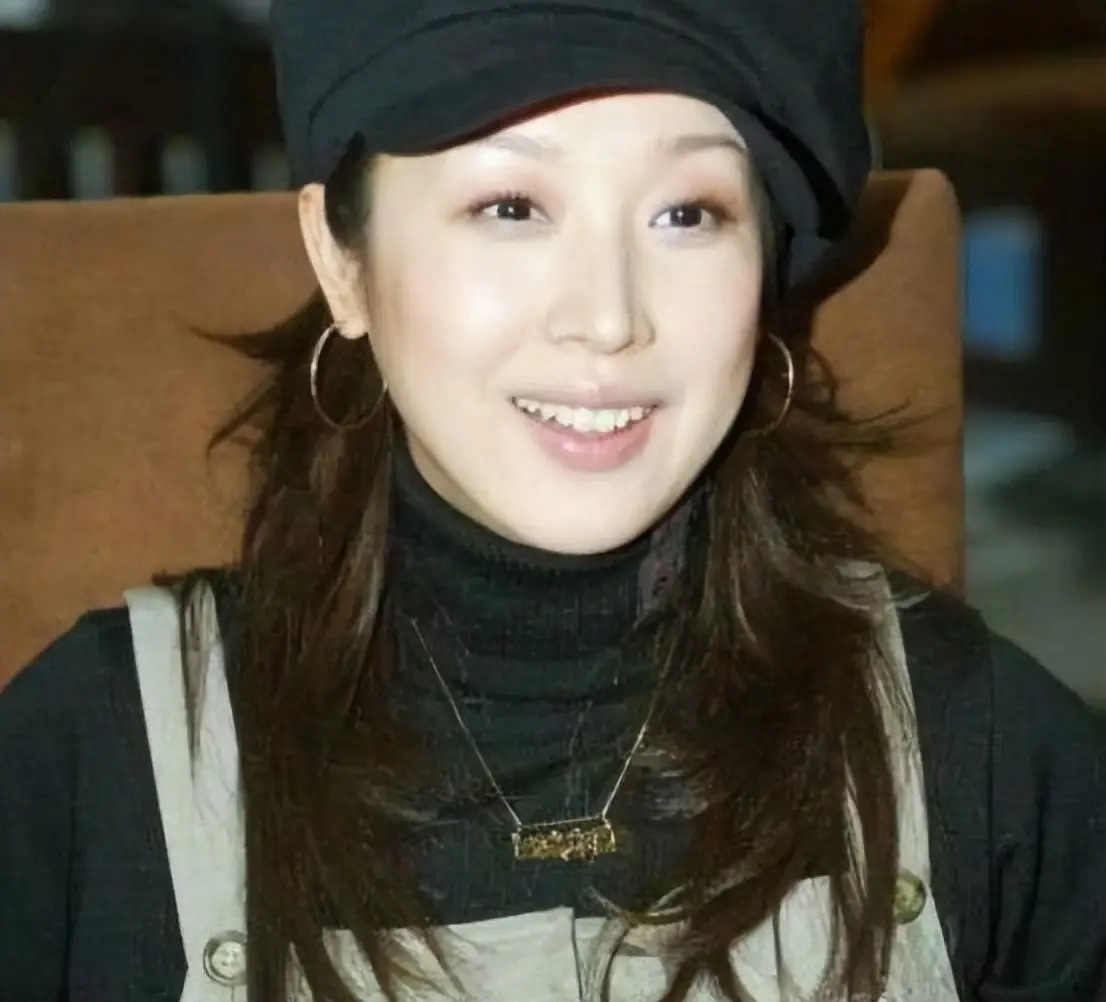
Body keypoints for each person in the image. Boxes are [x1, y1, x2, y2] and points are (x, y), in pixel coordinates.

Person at [1, 1, 1104, 1000]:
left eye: (686, 214)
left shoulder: (978, 745)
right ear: (342, 262)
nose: (608, 319)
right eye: (512, 205)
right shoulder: (91, 765)